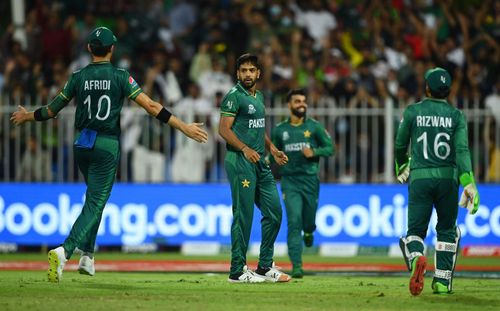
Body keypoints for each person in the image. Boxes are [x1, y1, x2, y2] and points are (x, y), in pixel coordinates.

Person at [10, 26, 208, 283]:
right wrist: (184, 126)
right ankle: (65, 251)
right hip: (106, 144)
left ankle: (88, 256)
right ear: (112, 49)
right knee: (96, 201)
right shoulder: (121, 76)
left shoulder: (77, 76)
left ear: (90, 49)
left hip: (82, 142)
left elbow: (51, 109)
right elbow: (150, 105)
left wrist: (27, 116)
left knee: (94, 198)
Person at [395, 67, 480, 296]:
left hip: (420, 179)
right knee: (446, 230)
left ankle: (416, 259)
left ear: (426, 88)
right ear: (449, 91)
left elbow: (400, 145)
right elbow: (462, 150)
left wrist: (400, 164)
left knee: (414, 232)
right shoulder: (456, 116)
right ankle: (442, 283)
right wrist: (468, 182)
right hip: (448, 180)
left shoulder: (413, 112)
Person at [218, 53, 291, 283]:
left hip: (260, 161)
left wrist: (273, 149)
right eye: (243, 71)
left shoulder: (258, 96)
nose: (247, 74)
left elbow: (259, 129)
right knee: (244, 216)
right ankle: (237, 271)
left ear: (259, 73)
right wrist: (244, 148)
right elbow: (224, 129)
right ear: (237, 73)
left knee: (274, 212)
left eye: (251, 70)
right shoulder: (233, 96)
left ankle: (264, 266)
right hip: (241, 161)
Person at [271, 88, 334, 278]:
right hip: (289, 181)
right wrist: (267, 160)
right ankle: (297, 266)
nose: (302, 104)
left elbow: (330, 148)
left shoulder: (314, 127)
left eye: (304, 101)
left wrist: (314, 152)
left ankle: (309, 231)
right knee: (294, 221)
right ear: (289, 105)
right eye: (297, 101)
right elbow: (271, 153)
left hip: (310, 181)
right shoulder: (280, 130)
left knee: (308, 221)